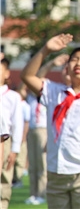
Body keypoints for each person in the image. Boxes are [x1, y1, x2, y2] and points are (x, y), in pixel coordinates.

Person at [20, 34, 80, 208]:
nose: (78, 63)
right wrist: (46, 50)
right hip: (56, 172)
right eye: (74, 60)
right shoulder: (53, 92)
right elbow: (27, 76)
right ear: (67, 68)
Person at [25, 53, 68, 205]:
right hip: (33, 130)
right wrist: (51, 64)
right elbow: (35, 77)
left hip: (44, 130)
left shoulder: (55, 92)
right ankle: (33, 194)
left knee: (43, 165)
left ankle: (41, 194)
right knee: (33, 165)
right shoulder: (38, 92)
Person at [0, 56, 24, 209]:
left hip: (5, 140)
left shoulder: (12, 97)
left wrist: (15, 149)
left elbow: (17, 124)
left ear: (7, 73)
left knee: (4, 177)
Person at [12, 85, 30, 189]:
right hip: (12, 135)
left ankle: (18, 179)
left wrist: (23, 135)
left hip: (20, 135)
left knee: (20, 158)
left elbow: (26, 122)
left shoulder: (25, 106)